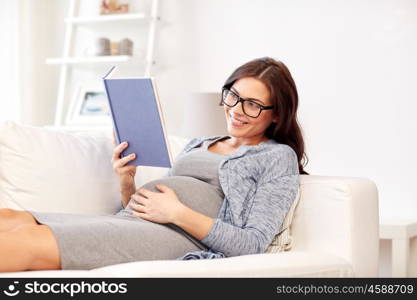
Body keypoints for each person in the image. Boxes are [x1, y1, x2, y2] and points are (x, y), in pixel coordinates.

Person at [0, 57, 308, 272]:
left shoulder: (277, 156)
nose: (236, 110)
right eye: (232, 96)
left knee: (30, 242)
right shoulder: (201, 142)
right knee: (11, 218)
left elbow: (251, 244)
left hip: (176, 237)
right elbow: (149, 206)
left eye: (252, 105)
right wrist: (127, 181)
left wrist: (179, 213)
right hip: (134, 221)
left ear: (277, 114)